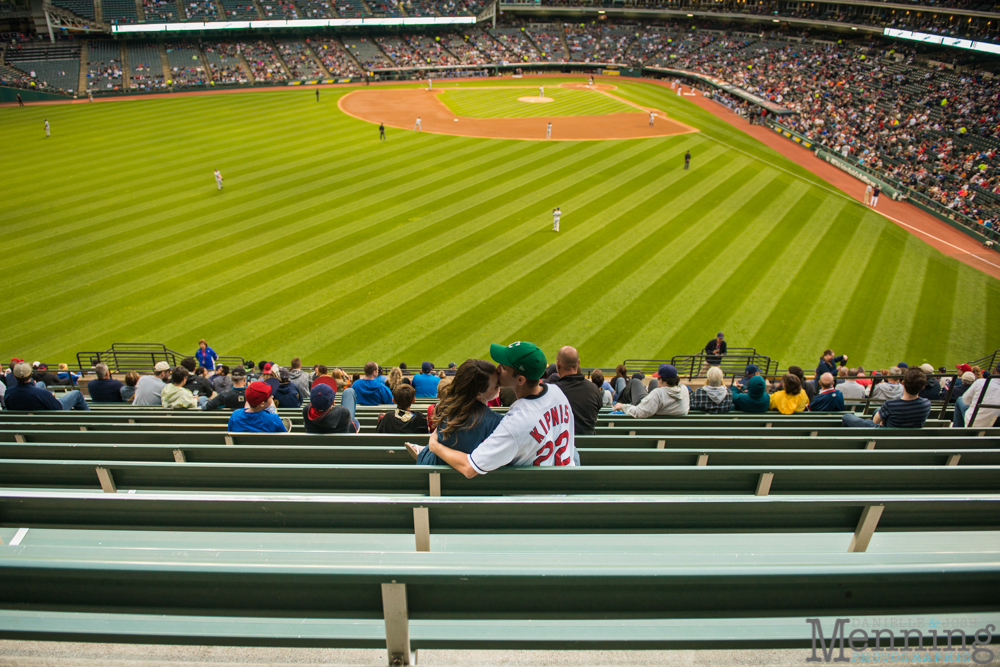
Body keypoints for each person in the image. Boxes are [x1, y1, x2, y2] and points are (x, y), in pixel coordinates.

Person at [418, 341, 577, 477]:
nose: (498, 368)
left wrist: (434, 446)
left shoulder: (514, 424)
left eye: (504, 367)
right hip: (560, 485)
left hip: (528, 502)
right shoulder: (557, 393)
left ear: (520, 379)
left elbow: (469, 468)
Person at [409, 359, 502, 465]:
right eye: (496, 386)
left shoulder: (447, 407)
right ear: (478, 393)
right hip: (443, 473)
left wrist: (433, 445)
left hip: (429, 469)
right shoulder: (495, 421)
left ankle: (422, 449)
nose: (500, 386)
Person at [843, 367, 932, 428]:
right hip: (902, 435)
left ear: (903, 383)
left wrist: (882, 422)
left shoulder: (891, 404)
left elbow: (875, 421)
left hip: (885, 434)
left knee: (847, 416)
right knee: (876, 411)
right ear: (923, 387)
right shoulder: (926, 404)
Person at [549, 346, 603, 435]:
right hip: (588, 445)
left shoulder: (552, 392)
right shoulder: (594, 389)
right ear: (578, 363)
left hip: (563, 446)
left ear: (558, 365)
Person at [5, 362, 90, 411]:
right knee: (77, 393)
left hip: (28, 413)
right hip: (46, 414)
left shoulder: (9, 392)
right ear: (31, 374)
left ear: (14, 376)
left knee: (41, 383)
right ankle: (91, 421)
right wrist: (51, 398)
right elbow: (57, 409)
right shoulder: (41, 393)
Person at [614, 364, 688, 417]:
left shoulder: (658, 393)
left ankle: (619, 402)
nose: (658, 380)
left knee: (635, 381)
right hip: (666, 422)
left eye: (659, 378)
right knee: (653, 382)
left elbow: (639, 413)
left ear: (664, 381)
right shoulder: (684, 389)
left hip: (650, 418)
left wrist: (622, 406)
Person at [956, 363, 1000, 428]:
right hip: (992, 426)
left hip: (973, 422)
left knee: (960, 399)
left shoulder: (980, 382)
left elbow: (965, 400)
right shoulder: (981, 382)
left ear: (995, 370)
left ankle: (956, 432)